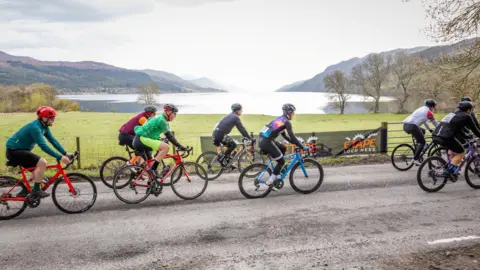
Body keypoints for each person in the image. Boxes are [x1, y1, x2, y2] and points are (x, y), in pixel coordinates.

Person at [5, 106, 71, 198]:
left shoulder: (44, 126)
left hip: (21, 151)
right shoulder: (35, 128)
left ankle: (26, 191)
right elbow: (43, 146)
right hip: (14, 151)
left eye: (54, 118)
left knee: (38, 175)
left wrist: (65, 153)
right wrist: (59, 157)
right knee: (42, 162)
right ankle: (36, 191)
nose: (53, 120)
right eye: (51, 118)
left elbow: (53, 140)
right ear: (44, 118)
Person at [258, 103, 309, 190]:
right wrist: (301, 146)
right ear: (289, 113)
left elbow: (286, 137)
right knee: (281, 161)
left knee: (283, 147)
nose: (293, 114)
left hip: (263, 140)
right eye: (293, 113)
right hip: (267, 142)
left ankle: (277, 174)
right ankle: (269, 183)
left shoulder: (279, 119)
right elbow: (292, 136)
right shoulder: (287, 122)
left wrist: (295, 143)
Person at [133, 104, 187, 179]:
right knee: (165, 147)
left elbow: (152, 131)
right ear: (168, 112)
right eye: (174, 114)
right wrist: (180, 146)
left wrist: (160, 139)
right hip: (141, 140)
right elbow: (169, 135)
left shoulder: (159, 118)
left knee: (152, 171)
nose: (175, 116)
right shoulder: (162, 120)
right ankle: (153, 168)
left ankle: (152, 187)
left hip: (139, 139)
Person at [432, 101, 480, 176]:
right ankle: (448, 172)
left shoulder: (452, 114)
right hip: (446, 138)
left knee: (455, 151)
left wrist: (467, 136)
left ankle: (453, 169)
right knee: (461, 152)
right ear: (468, 109)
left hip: (436, 136)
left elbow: (457, 129)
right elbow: (475, 129)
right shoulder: (466, 116)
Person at [402, 99, 439, 165]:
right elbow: (434, 122)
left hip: (405, 125)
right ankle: (415, 159)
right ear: (431, 107)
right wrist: (441, 128)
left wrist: (429, 129)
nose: (434, 108)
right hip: (412, 126)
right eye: (434, 107)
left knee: (423, 131)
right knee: (422, 142)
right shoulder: (429, 112)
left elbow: (424, 122)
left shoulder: (421, 109)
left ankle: (418, 149)